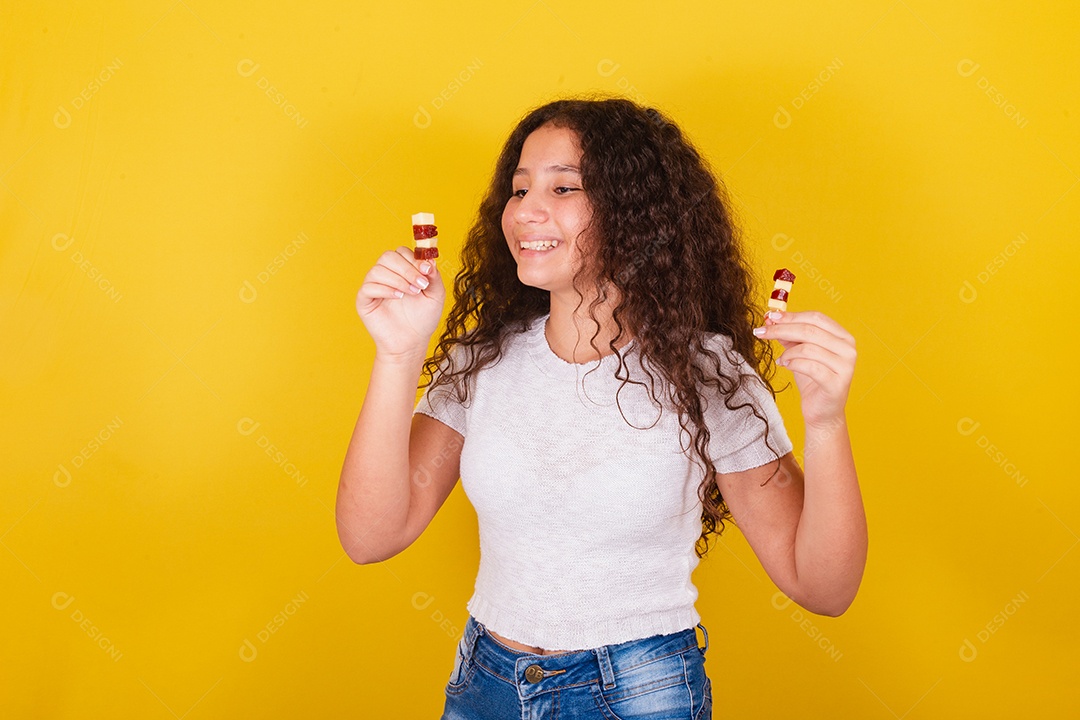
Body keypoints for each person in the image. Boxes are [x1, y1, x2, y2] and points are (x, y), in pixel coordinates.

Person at [337, 96, 867, 720]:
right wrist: (398, 354)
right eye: (519, 188)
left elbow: (823, 587)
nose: (527, 210)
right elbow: (370, 537)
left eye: (564, 188)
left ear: (634, 215)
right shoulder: (482, 362)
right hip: (486, 685)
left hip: (639, 693)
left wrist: (827, 422)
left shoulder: (707, 374)